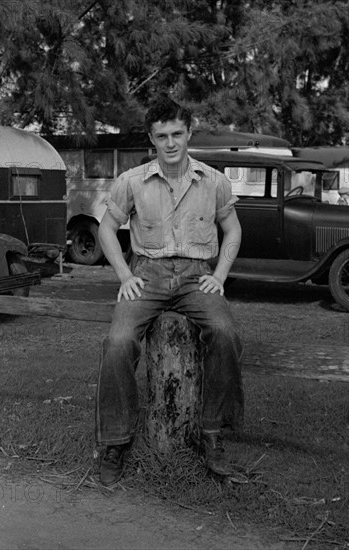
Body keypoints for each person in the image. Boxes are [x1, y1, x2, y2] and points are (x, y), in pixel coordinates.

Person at [95, 96, 244, 487]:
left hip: (197, 275)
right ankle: (116, 441)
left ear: (189, 133)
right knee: (117, 341)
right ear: (152, 138)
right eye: (162, 136)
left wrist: (221, 274)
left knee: (225, 333)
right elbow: (106, 230)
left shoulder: (213, 181)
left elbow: (233, 229)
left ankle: (212, 433)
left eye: (178, 133)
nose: (171, 143)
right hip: (149, 274)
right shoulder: (132, 181)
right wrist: (125, 275)